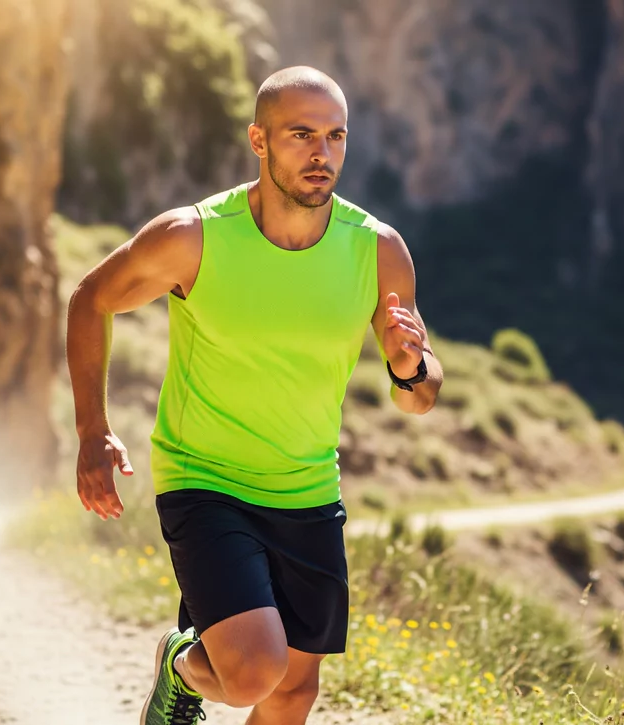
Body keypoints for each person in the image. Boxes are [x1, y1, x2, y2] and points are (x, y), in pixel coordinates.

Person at [65, 65, 444, 725]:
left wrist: (411, 367)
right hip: (205, 481)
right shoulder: (196, 236)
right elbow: (90, 299)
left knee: (293, 693)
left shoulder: (377, 250)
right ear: (259, 141)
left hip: (307, 492)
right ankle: (183, 669)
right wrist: (92, 429)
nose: (322, 153)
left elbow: (419, 396)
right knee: (252, 671)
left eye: (335, 136)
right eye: (301, 134)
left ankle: (193, 659)